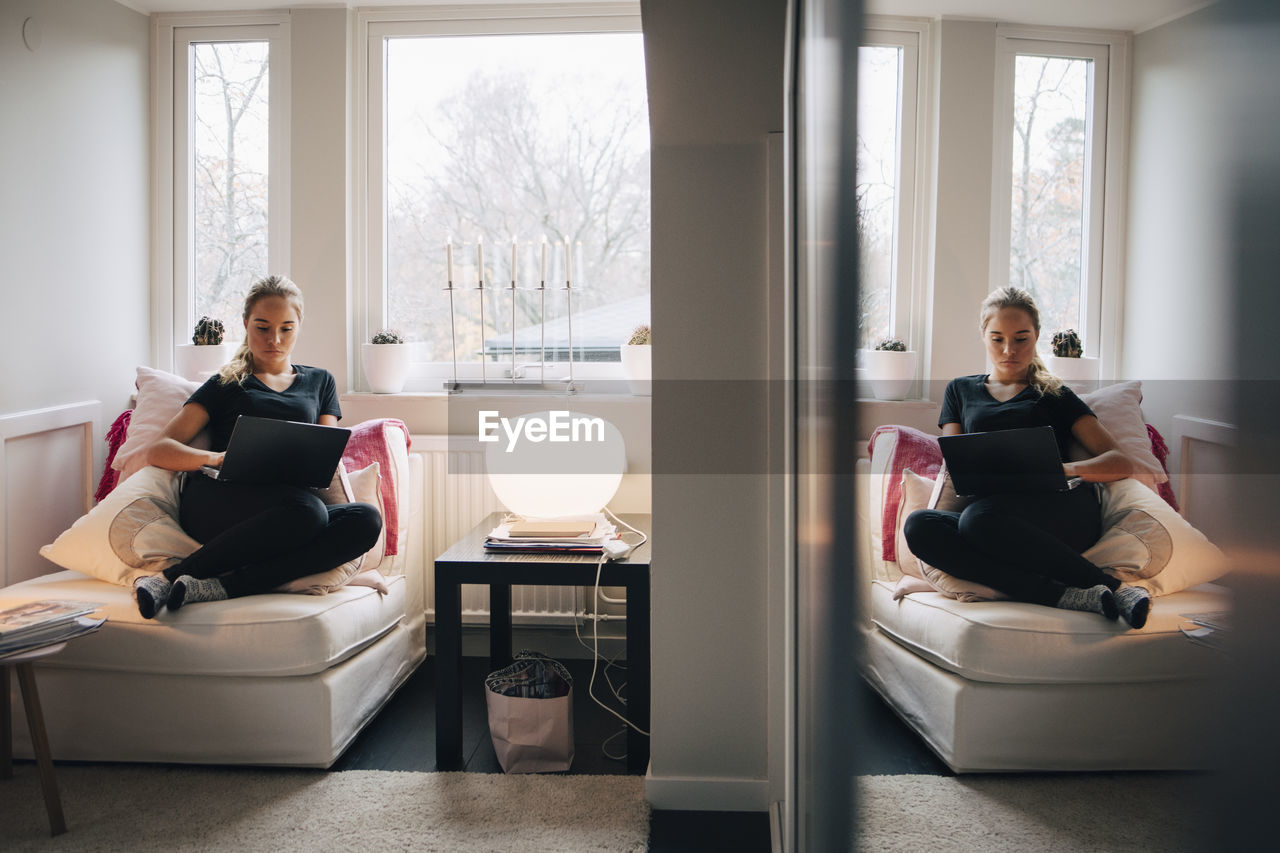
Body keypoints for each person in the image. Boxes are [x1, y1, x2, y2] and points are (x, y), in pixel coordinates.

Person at [903, 286, 1153, 628]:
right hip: (989, 517)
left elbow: (1119, 462)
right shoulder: (960, 390)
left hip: (1060, 510)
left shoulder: (1055, 394)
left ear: (1036, 336)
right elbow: (958, 461)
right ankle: (1061, 595)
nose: (1009, 350)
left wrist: (1061, 469)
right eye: (997, 339)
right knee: (920, 526)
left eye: (1021, 338)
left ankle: (1117, 589)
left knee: (979, 519)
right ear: (983, 337)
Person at [132, 275, 381, 619]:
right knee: (307, 512)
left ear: (299, 327)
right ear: (246, 324)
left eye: (286, 329)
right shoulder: (225, 383)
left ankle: (224, 587)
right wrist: (218, 458)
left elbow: (326, 449)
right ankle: (166, 579)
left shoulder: (321, 381)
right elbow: (159, 449)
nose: (274, 340)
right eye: (262, 327)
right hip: (220, 500)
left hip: (292, 508)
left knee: (365, 519)